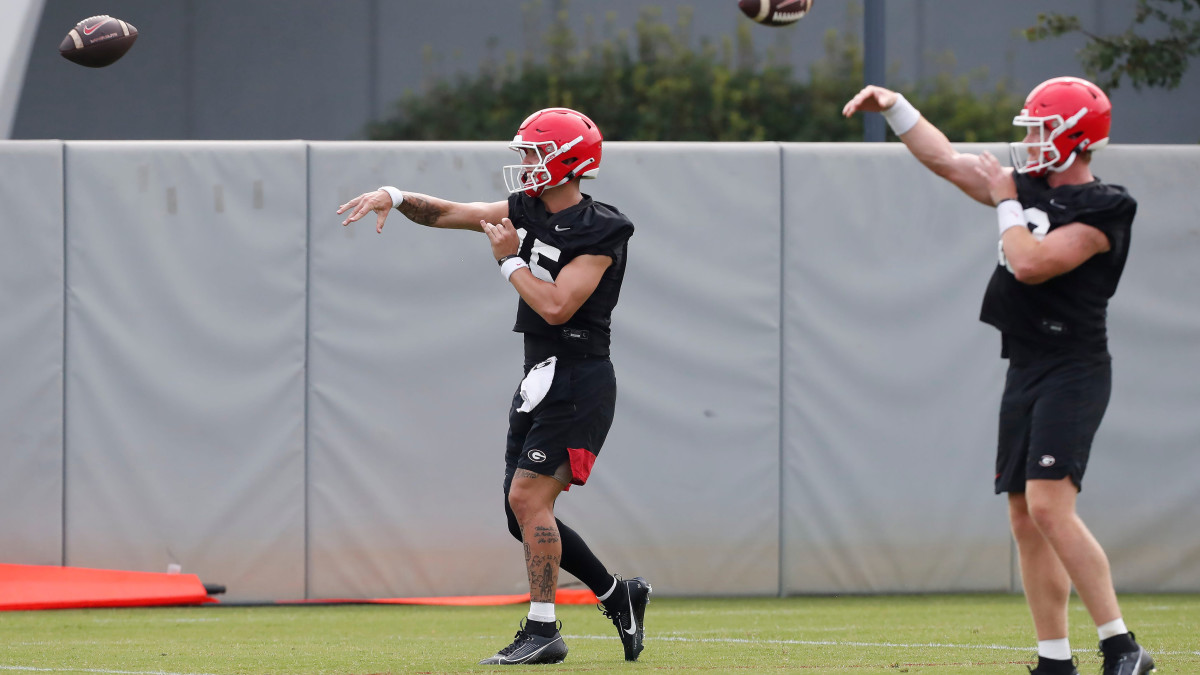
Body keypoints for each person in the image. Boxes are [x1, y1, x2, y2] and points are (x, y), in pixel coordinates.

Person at [842, 78, 1153, 675]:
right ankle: (1055, 660)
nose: (1031, 143)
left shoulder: (1106, 206)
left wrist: (1007, 201)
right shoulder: (1029, 187)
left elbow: (1032, 263)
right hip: (1028, 362)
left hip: (1074, 367)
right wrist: (897, 106)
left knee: (1049, 507)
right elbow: (946, 161)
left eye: (1042, 131)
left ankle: (1122, 647)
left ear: (1075, 139)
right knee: (1025, 515)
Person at [336, 107, 650, 666]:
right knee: (520, 514)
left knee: (528, 499)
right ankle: (616, 593)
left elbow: (557, 306)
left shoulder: (603, 228)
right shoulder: (525, 207)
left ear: (567, 161)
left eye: (534, 153)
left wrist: (509, 263)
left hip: (578, 377)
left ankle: (544, 630)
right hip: (540, 376)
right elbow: (455, 213)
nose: (526, 164)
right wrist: (395, 194)